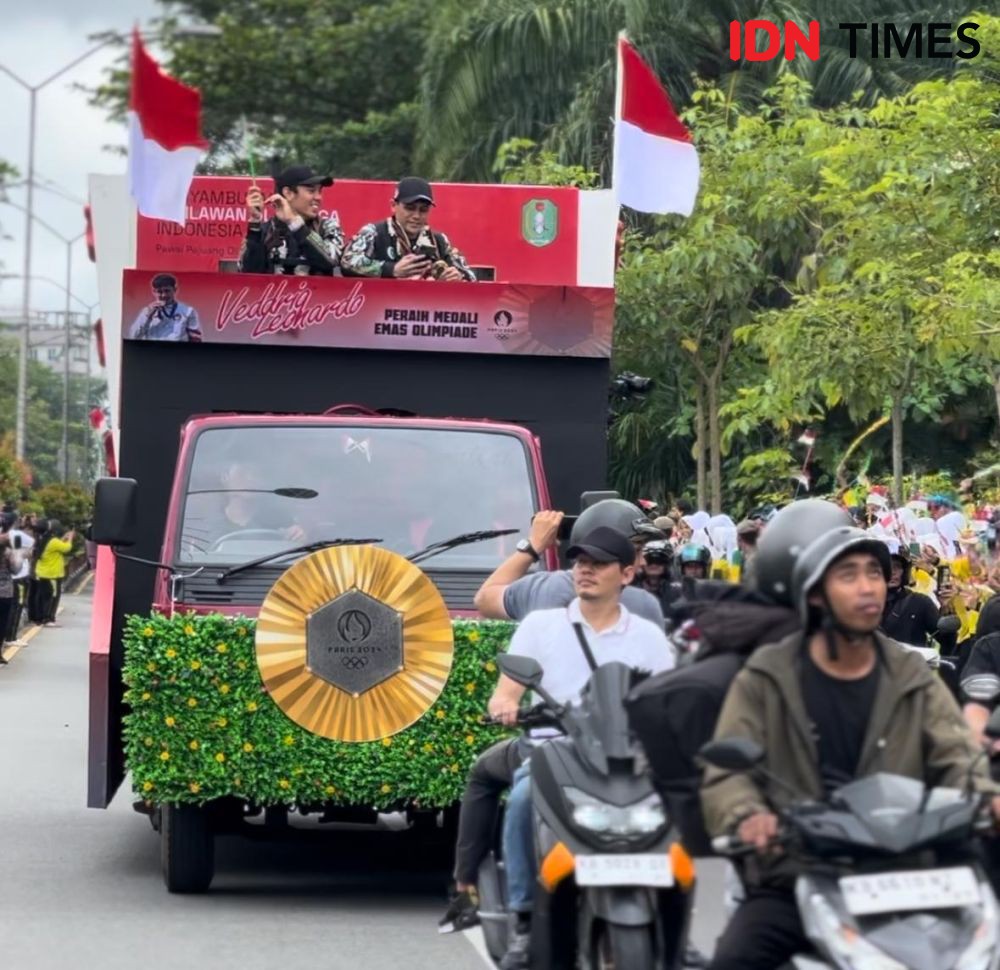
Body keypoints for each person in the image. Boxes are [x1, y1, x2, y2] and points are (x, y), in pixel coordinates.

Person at [701, 524, 1000, 970]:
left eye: (874, 574)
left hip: (911, 870)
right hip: (801, 869)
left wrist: (984, 796)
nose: (867, 587)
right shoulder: (769, 675)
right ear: (816, 595)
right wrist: (748, 815)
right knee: (735, 956)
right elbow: (728, 770)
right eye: (848, 575)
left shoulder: (911, 673)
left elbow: (955, 752)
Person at [490, 526, 674, 969]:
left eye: (598, 563)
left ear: (627, 574)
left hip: (625, 759)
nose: (585, 570)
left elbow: (670, 700)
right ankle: (525, 919)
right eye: (579, 562)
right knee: (520, 799)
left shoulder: (648, 637)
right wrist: (506, 706)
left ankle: (673, 923)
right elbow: (506, 693)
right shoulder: (540, 626)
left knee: (679, 803)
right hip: (556, 754)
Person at [473, 501, 665, 626]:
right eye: (637, 551)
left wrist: (532, 547)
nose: (643, 561)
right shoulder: (644, 604)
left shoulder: (546, 589)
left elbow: (484, 599)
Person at [341, 177, 476, 282]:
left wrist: (456, 277)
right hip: (379, 312)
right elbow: (347, 262)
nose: (416, 216)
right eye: (410, 208)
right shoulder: (374, 233)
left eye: (423, 210)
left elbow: (471, 277)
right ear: (394, 206)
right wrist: (390, 269)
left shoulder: (439, 241)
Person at [238, 165, 343, 276]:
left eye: (320, 192)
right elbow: (248, 275)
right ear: (288, 193)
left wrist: (294, 223)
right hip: (273, 293)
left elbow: (330, 261)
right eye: (311, 191)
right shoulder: (264, 230)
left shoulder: (328, 227)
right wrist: (255, 222)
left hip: (315, 292)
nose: (318, 197)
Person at [880, 539, 952, 646]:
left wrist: (946, 608)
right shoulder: (861, 603)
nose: (892, 572)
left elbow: (947, 641)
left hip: (911, 661)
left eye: (897, 567)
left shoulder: (919, 602)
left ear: (905, 571)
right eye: (886, 567)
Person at [127, 274, 203, 342]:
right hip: (153, 353)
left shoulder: (188, 311)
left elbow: (196, 339)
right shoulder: (146, 311)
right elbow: (133, 336)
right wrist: (147, 316)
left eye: (167, 291)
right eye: (159, 292)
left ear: (175, 290)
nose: (163, 295)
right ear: (154, 291)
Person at [31, 519, 75, 627]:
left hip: (42, 572)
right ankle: (49, 619)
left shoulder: (43, 539)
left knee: (42, 596)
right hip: (52, 574)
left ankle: (40, 618)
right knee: (53, 597)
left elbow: (54, 546)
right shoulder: (53, 541)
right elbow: (66, 548)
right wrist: (69, 539)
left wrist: (62, 539)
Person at [0, 534, 23, 664]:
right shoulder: (8, 553)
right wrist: (17, 553)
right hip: (4, 593)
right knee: (2, 624)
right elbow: (16, 569)